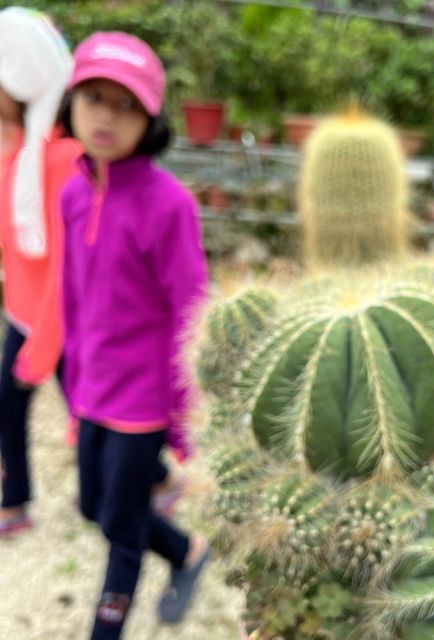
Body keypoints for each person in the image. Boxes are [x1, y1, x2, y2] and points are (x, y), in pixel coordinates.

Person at [60, 31, 210, 638]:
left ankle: (107, 628)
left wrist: (185, 421)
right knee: (93, 506)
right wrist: (71, 387)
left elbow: (190, 312)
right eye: (94, 96)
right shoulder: (73, 192)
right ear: (71, 102)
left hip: (141, 403)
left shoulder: (168, 205)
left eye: (125, 103)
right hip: (92, 388)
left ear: (149, 118)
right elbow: (73, 296)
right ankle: (186, 551)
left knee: (121, 529)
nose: (107, 115)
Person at [0, 6, 81, 537]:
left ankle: (156, 480)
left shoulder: (62, 157)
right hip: (24, 309)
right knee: (11, 406)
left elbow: (68, 266)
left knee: (93, 412)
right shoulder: (22, 150)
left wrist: (44, 345)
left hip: (58, 319)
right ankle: (16, 500)